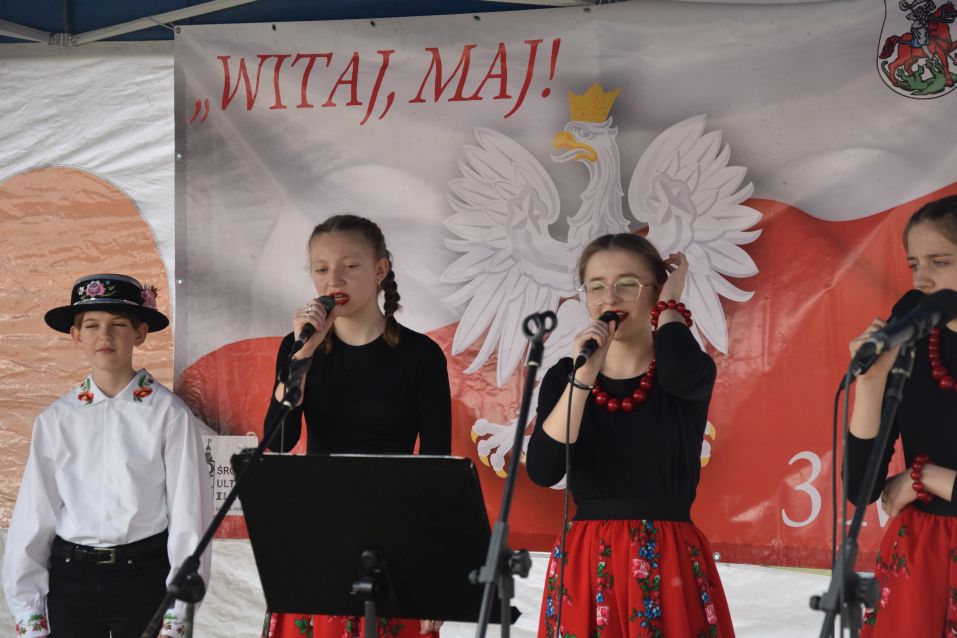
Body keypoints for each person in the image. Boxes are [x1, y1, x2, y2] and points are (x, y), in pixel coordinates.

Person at [526, 233, 735, 638]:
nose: (610, 298)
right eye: (596, 287)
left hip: (667, 555)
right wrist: (583, 377)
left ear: (654, 292)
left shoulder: (684, 370)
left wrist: (670, 305)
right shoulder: (565, 376)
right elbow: (544, 470)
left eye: (627, 284)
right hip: (588, 558)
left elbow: (679, 371)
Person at [260, 214, 452, 638]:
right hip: (319, 527)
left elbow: (437, 466)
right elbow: (280, 439)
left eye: (350, 266)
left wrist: (434, 568)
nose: (334, 280)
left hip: (396, 533)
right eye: (321, 269)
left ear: (380, 270)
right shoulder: (298, 348)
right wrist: (303, 355)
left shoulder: (420, 355)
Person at [2, 274, 212, 638]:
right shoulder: (57, 419)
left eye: (118, 325)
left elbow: (189, 515)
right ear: (76, 335)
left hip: (144, 577)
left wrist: (179, 611)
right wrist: (28, 608)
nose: (105, 336)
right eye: (92, 325)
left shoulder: (168, 415)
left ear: (140, 333)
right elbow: (35, 515)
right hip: (71, 579)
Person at [845, 194, 957, 636]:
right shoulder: (914, 338)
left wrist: (924, 477)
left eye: (940, 262)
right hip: (920, 558)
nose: (922, 278)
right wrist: (870, 386)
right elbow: (861, 489)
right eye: (914, 264)